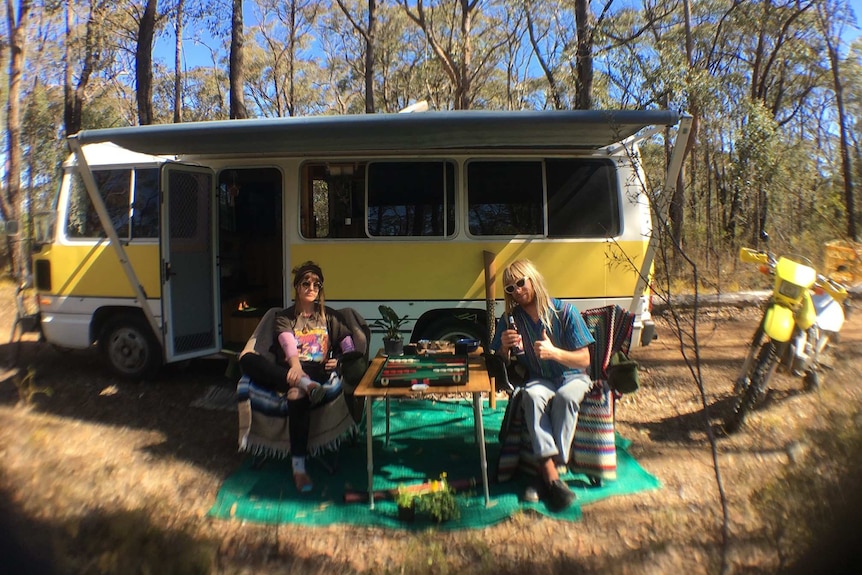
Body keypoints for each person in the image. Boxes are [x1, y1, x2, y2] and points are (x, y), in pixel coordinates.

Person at [239, 261, 356, 493]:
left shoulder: (330, 317)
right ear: (296, 286)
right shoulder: (284, 316)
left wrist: (340, 361)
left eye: (316, 284)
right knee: (246, 359)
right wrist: (295, 369)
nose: (311, 287)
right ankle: (304, 384)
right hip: (288, 370)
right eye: (306, 282)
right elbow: (287, 343)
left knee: (295, 395)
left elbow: (349, 346)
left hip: (316, 372)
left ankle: (298, 468)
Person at [490, 259, 595, 511]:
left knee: (567, 398)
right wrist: (503, 348)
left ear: (533, 279)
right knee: (531, 395)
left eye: (520, 283)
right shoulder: (511, 319)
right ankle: (553, 476)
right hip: (540, 379)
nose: (516, 291)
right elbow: (498, 363)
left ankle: (544, 474)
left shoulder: (565, 312)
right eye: (509, 289)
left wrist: (554, 353)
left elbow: (585, 360)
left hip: (573, 376)